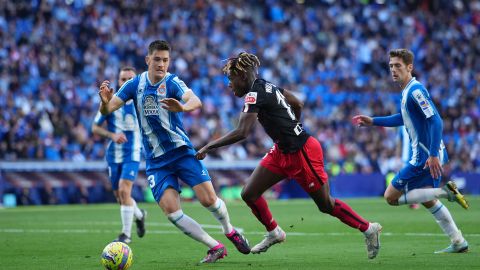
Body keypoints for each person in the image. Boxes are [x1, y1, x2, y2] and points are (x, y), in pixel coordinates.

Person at [195, 52, 382, 259]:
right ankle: (274, 232)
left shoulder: (254, 93)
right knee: (249, 193)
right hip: (282, 150)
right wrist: (292, 125)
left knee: (326, 205)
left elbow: (242, 132)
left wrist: (208, 146)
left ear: (242, 75)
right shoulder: (267, 85)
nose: (229, 84)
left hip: (303, 153)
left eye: (230, 78)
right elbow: (297, 103)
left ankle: (368, 228)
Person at [98, 40, 250, 263]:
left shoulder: (172, 82)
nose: (161, 64)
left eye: (165, 60)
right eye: (157, 59)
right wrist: (103, 103)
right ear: (148, 60)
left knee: (208, 200)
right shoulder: (134, 84)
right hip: (156, 161)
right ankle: (215, 247)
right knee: (171, 211)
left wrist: (183, 107)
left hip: (181, 151)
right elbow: (108, 108)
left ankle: (229, 230)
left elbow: (195, 100)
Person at [352, 48, 469, 253]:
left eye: (398, 66)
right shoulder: (408, 91)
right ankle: (458, 241)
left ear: (409, 67)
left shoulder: (415, 91)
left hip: (423, 157)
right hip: (428, 154)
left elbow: (436, 121)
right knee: (426, 199)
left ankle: (445, 192)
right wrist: (374, 121)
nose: (393, 70)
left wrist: (432, 154)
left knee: (390, 197)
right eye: (390, 66)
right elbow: (402, 118)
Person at [92, 67, 146, 244]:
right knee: (120, 197)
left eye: (130, 79)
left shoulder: (143, 102)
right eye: (123, 79)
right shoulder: (110, 103)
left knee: (124, 191)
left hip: (133, 153)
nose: (126, 82)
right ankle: (140, 215)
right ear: (118, 81)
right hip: (114, 155)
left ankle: (126, 234)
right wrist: (112, 135)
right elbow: (95, 127)